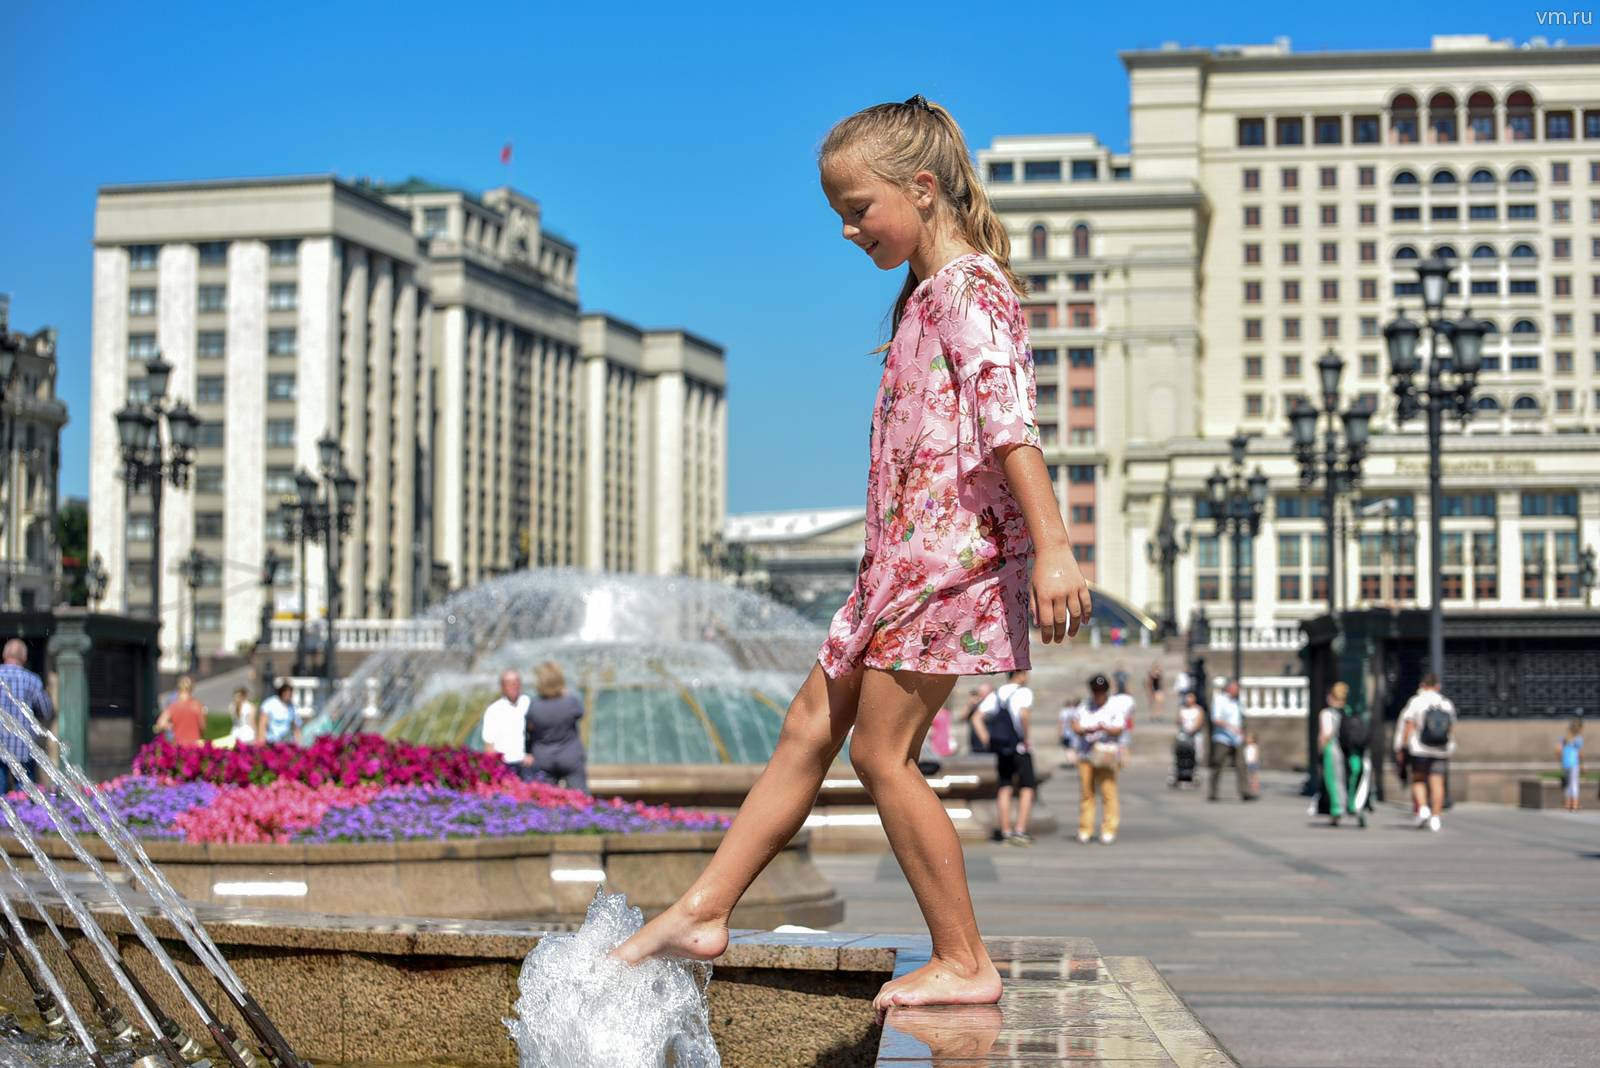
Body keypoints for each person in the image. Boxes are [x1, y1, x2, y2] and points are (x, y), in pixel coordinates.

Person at [612, 95, 1093, 1020]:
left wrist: (1056, 550)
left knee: (882, 753)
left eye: (857, 207)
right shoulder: (925, 294)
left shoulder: (970, 287)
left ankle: (964, 958)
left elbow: (1010, 426)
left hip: (949, 561)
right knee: (806, 727)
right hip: (895, 566)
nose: (845, 228)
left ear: (920, 188)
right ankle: (704, 910)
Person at [973, 670, 1036, 845]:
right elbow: (1023, 715)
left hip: (1002, 747)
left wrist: (986, 739)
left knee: (1005, 786)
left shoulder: (998, 693)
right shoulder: (1024, 692)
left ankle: (1005, 830)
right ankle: (1020, 830)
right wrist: (1026, 738)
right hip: (1019, 746)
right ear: (1020, 674)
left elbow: (976, 717)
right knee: (1027, 787)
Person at [1069, 674, 1129, 844]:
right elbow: (1075, 724)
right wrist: (1085, 730)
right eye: (1096, 692)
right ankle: (1085, 829)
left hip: (1105, 754)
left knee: (1108, 792)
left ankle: (1109, 828)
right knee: (1087, 793)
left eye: (1101, 692)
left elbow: (1119, 729)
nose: (1098, 695)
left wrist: (1105, 728)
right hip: (1086, 754)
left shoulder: (1115, 706)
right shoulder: (1085, 705)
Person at [1395, 673, 1455, 831]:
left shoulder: (1416, 701)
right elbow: (1450, 727)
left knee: (1418, 780)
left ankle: (1422, 808)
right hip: (1441, 749)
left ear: (1422, 685)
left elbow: (1409, 725)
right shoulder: (1446, 703)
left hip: (1419, 749)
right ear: (1438, 686)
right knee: (1437, 782)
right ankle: (1436, 817)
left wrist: (1403, 746)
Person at [525, 661, 587, 792]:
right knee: (580, 798)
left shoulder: (534, 706)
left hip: (543, 757)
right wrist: (565, 692)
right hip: (570, 755)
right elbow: (581, 713)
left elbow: (530, 728)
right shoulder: (570, 701)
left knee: (546, 801)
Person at [0, 639, 52, 793]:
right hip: (23, 745)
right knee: (25, 796)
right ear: (24, 658)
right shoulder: (32, 680)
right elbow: (46, 710)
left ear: (4, 654)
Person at [1316, 682, 1371, 828]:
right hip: (1352, 752)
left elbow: (1325, 735)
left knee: (1334, 782)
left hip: (1333, 751)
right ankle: (1354, 806)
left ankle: (1337, 811)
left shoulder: (1327, 713)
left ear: (1330, 697)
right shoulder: (1349, 712)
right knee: (1351, 779)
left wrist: (1320, 751)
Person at [482, 670, 535, 782]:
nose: (514, 686)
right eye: (509, 683)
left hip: (527, 764)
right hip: (504, 765)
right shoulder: (494, 710)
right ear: (502, 686)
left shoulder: (529, 703)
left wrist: (533, 754)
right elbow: (489, 746)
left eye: (516, 682)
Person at [1209, 679, 1255, 801]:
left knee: (1241, 765)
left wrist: (1243, 732)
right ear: (1229, 688)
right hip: (1223, 737)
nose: (1238, 691)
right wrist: (1231, 727)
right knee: (1218, 763)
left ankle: (1245, 791)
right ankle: (1213, 792)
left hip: (1237, 738)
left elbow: (1241, 720)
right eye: (1236, 688)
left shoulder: (1238, 703)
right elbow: (1216, 719)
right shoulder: (1220, 700)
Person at [154, 676, 206, 748]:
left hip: (179, 748)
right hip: (194, 748)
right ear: (191, 689)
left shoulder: (173, 707)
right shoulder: (197, 706)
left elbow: (160, 724)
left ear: (179, 689)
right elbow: (203, 727)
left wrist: (171, 726)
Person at [1170, 689, 1204, 788]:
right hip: (1184, 734)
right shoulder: (1182, 709)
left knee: (1196, 754)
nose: (1188, 699)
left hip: (1194, 735)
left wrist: (1192, 730)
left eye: (1190, 697)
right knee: (1179, 751)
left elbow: (1199, 721)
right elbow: (1178, 721)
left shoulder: (1198, 709)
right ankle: (1179, 772)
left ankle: (1195, 773)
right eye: (1187, 697)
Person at [256, 680, 301, 745]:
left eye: (289, 692)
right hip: (272, 742)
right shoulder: (270, 704)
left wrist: (298, 744)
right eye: (285, 691)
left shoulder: (293, 707)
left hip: (287, 743)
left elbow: (296, 728)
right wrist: (261, 742)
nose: (288, 694)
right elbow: (262, 725)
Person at [1559, 718, 1583, 812]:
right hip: (1574, 763)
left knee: (1567, 784)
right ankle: (1575, 804)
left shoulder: (1564, 738)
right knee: (1574, 784)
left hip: (1565, 763)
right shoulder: (1578, 739)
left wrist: (1561, 760)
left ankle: (1568, 803)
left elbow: (1558, 750)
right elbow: (1580, 754)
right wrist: (1582, 765)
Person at [963, 684, 993, 754]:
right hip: (974, 742)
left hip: (985, 740)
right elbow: (963, 717)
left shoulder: (988, 705)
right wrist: (970, 704)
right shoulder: (973, 706)